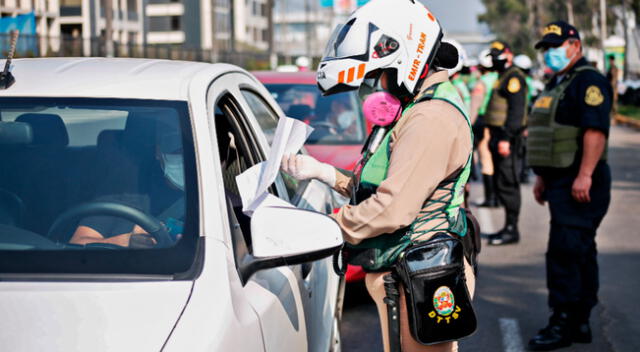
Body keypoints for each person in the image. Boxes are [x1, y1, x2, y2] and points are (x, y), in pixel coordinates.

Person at [281, 0, 477, 350]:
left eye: (378, 75)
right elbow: (391, 184)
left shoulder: (429, 119)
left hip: (419, 274)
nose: (377, 86)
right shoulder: (420, 107)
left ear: (401, 58)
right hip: (408, 270)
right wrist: (327, 174)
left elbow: (393, 209)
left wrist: (328, 225)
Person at [526, 21, 612, 351]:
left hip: (580, 181)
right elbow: (550, 134)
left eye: (555, 46)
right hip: (560, 179)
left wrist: (585, 175)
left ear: (575, 45)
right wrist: (542, 177)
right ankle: (579, 321)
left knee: (565, 252)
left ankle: (562, 322)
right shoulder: (557, 81)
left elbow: (595, 132)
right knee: (580, 250)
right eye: (546, 47)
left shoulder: (589, 81)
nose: (550, 53)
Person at [69, 120, 185, 248]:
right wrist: (126, 241)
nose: (183, 158)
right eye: (176, 152)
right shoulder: (127, 188)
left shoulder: (207, 189)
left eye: (188, 152)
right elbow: (77, 242)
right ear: (158, 152)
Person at [483, 40, 528, 245]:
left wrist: (506, 139)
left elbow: (516, 112)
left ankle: (512, 229)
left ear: (509, 54)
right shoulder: (502, 76)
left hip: (506, 137)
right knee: (502, 182)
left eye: (498, 55)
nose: (495, 59)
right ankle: (507, 227)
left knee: (508, 182)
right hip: (497, 135)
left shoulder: (514, 77)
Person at [469, 49, 499, 207]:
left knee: (486, 159)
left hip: (483, 122)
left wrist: (469, 125)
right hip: (498, 124)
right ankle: (496, 196)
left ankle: (491, 198)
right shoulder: (500, 78)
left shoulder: (482, 83)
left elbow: (475, 107)